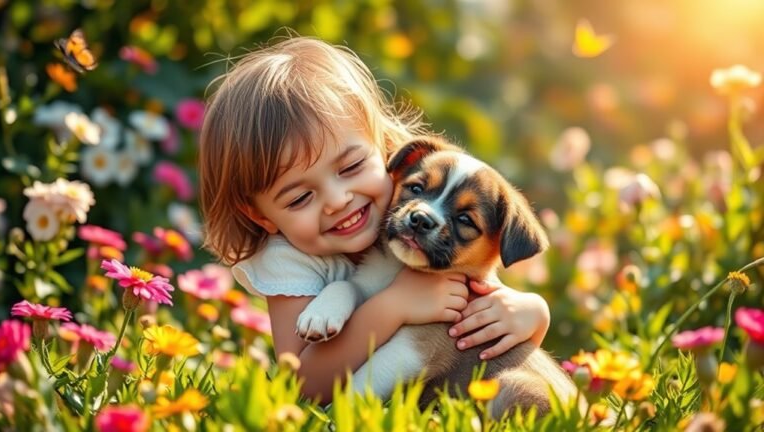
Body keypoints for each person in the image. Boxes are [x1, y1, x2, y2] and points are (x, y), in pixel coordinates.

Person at [198, 36, 550, 403]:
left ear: (383, 152)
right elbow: (301, 385)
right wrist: (395, 305)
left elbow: (498, 332)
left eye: (351, 167)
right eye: (301, 197)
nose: (338, 201)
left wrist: (536, 314)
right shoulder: (290, 259)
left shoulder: (398, 209)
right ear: (262, 216)